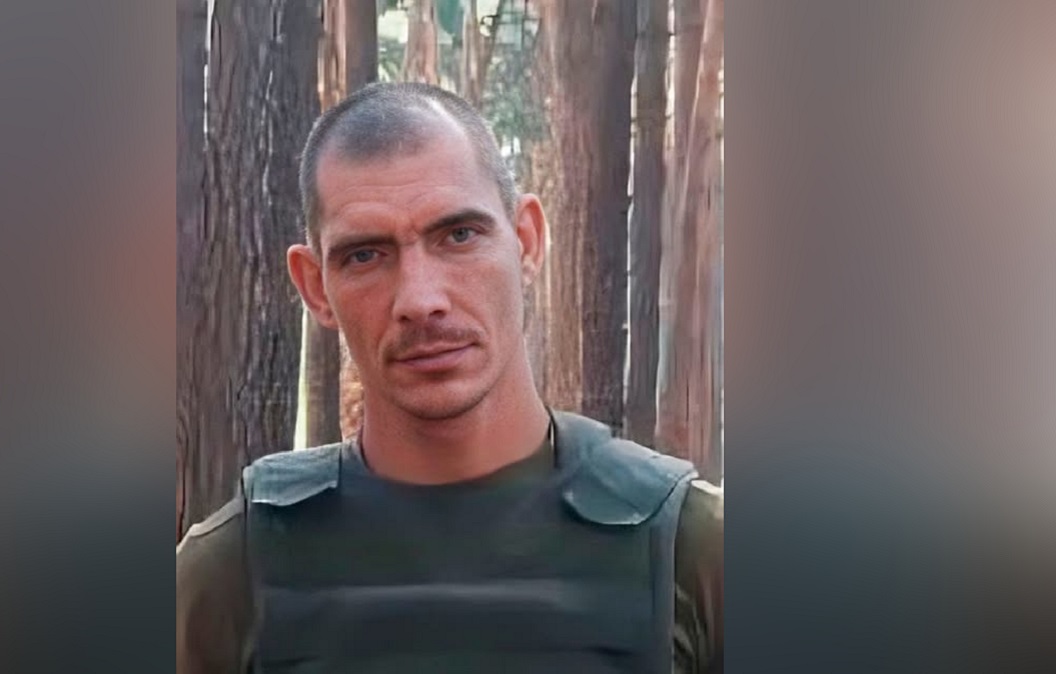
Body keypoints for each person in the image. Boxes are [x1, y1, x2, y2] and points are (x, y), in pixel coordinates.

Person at [176, 82, 723, 674]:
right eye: (365, 255)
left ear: (527, 241)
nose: (420, 300)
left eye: (459, 236)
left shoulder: (693, 549)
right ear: (315, 287)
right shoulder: (232, 572)